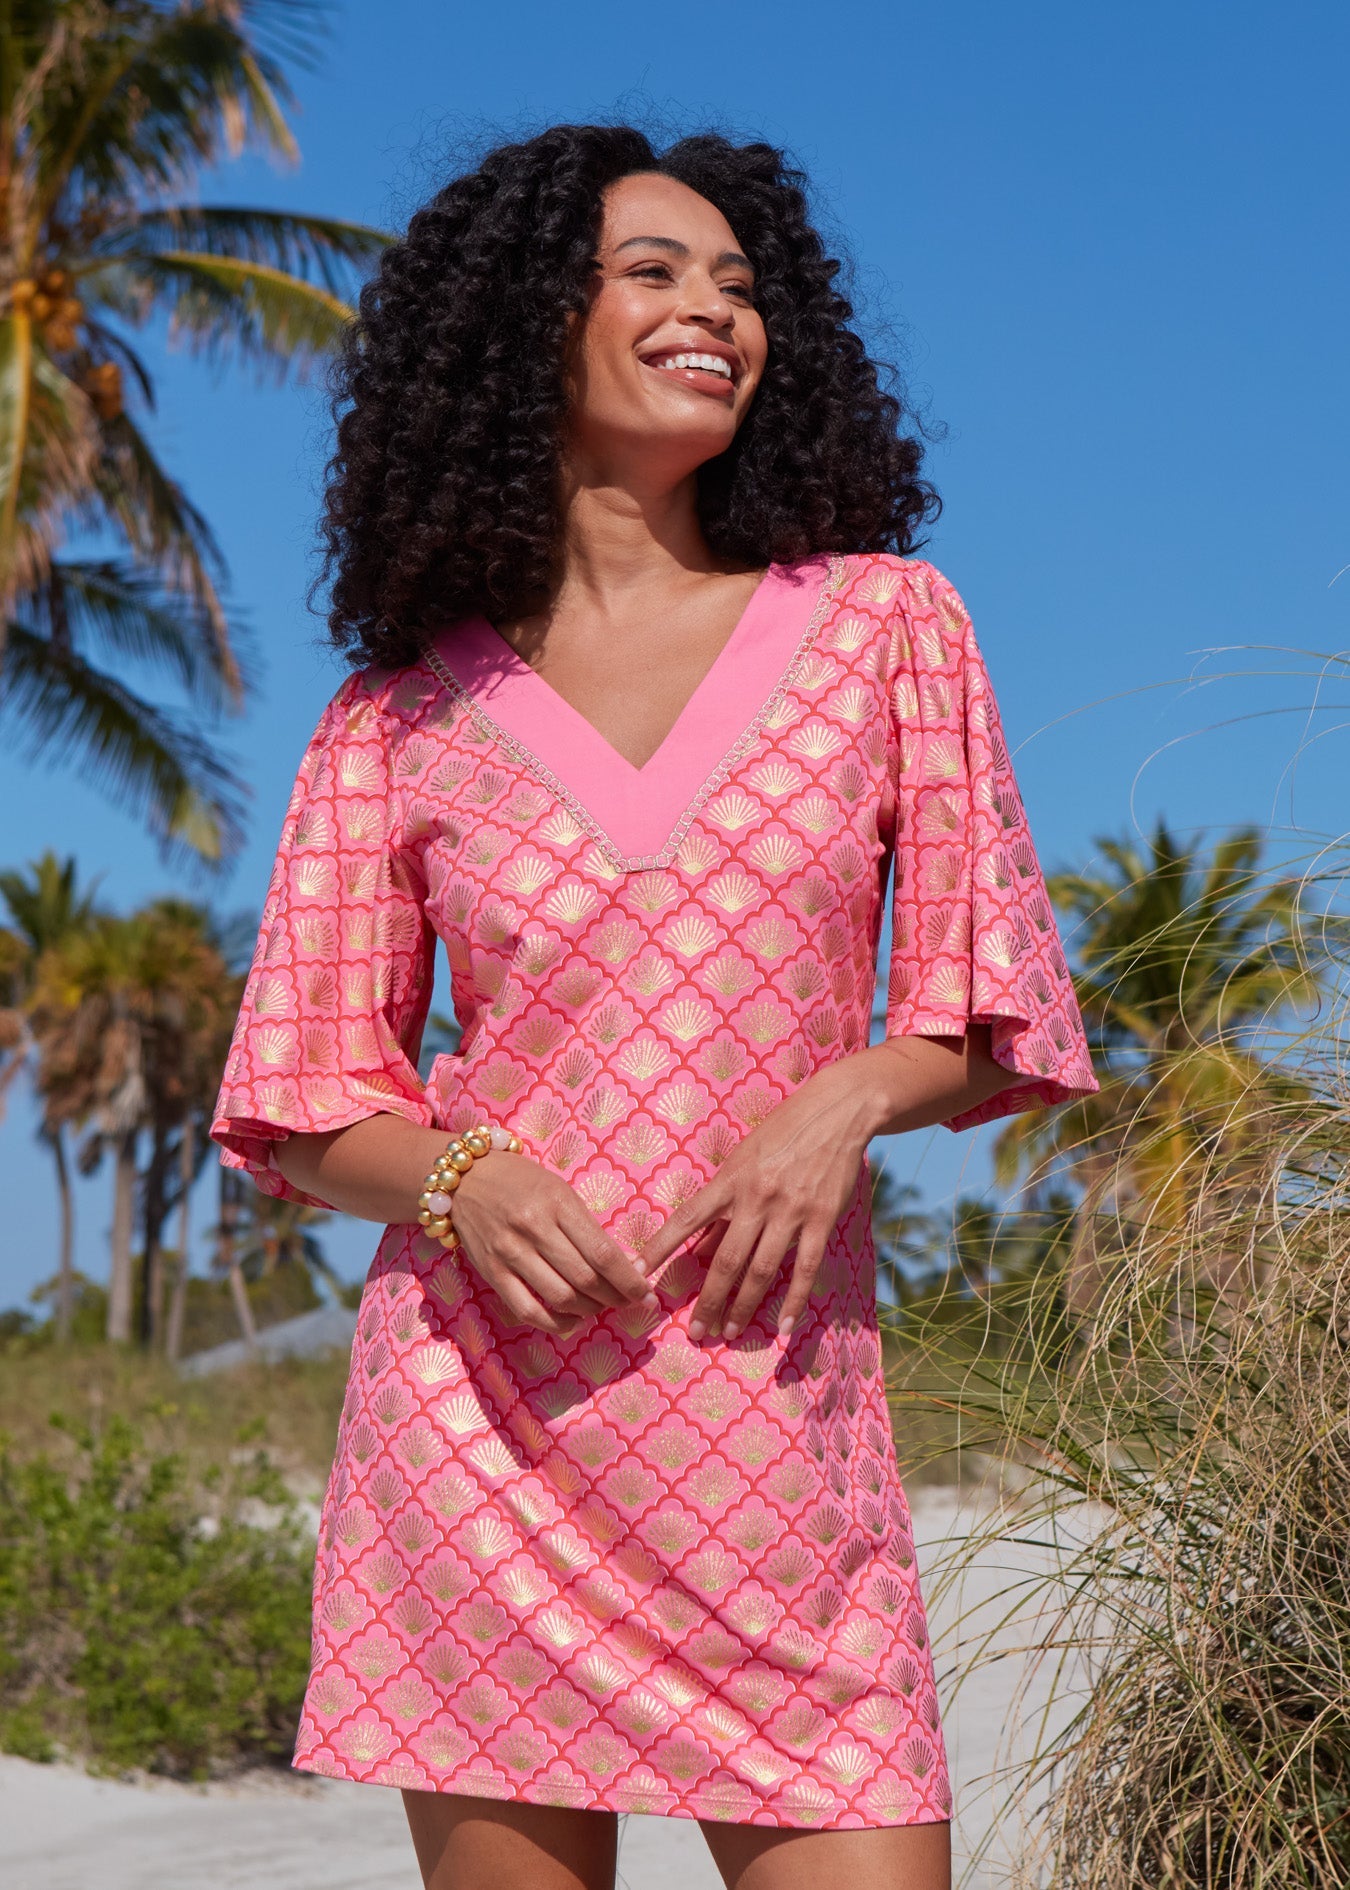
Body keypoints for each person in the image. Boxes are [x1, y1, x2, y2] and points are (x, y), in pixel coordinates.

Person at [211, 124, 1096, 1890]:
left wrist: (841, 1096)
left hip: (779, 1443)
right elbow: (304, 1100)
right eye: (656, 271)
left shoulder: (880, 627)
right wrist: (460, 1179)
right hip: (483, 1450)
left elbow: (992, 999)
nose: (716, 311)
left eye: (742, 284)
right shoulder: (392, 721)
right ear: (526, 322)